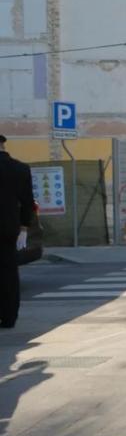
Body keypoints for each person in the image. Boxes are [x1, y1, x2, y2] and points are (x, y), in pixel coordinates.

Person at [0, 135, 34, 328]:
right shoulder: (20, 168)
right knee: (9, 273)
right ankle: (9, 317)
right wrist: (24, 228)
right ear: (3, 145)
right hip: (8, 228)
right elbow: (28, 202)